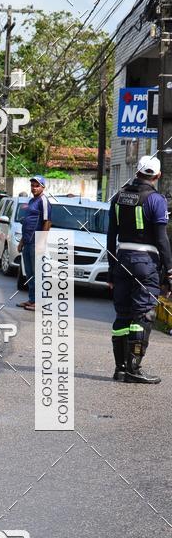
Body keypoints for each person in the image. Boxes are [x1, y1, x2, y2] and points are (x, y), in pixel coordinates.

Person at [107, 155, 172, 384]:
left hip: (121, 258)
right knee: (143, 313)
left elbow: (111, 235)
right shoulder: (156, 200)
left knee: (122, 314)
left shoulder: (117, 198)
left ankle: (120, 369)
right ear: (157, 175)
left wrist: (111, 266)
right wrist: (170, 271)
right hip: (146, 263)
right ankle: (134, 369)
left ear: (137, 172)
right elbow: (162, 240)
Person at [17, 175, 52, 311]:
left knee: (38, 273)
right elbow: (27, 223)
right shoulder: (32, 201)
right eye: (32, 185)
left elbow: (47, 222)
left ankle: (39, 302)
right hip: (27, 242)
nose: (34, 188)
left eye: (37, 185)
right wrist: (21, 242)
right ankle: (32, 300)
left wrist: (41, 242)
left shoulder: (44, 201)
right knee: (30, 273)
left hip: (36, 243)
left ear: (43, 187)